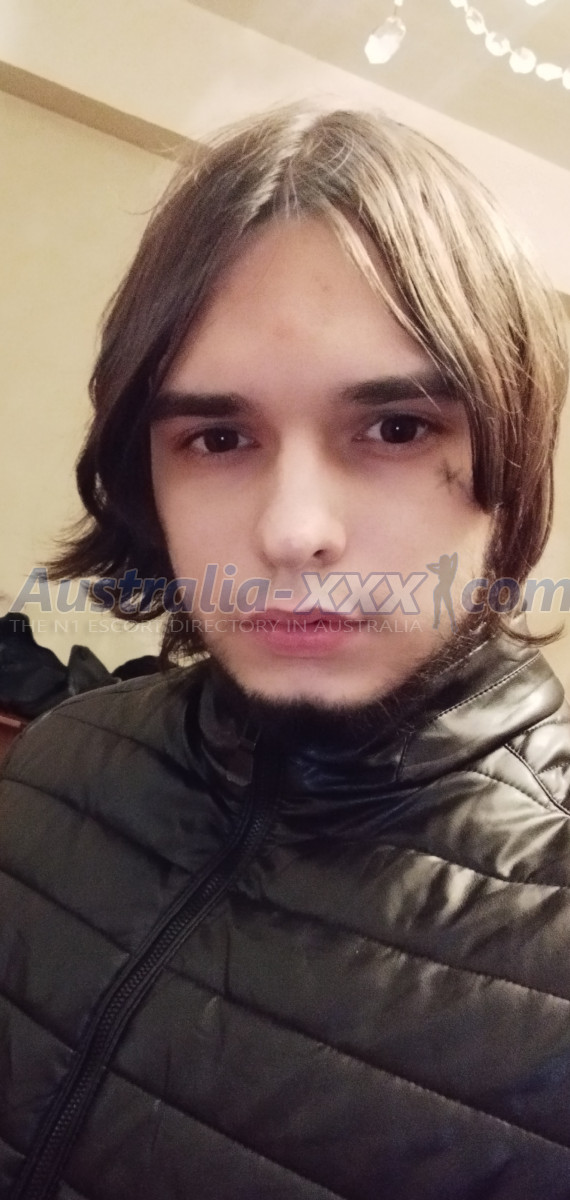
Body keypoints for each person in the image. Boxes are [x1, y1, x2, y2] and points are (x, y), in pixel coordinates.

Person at [1, 103, 570, 1200]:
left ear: (508, 460)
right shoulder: (56, 764)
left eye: (395, 428)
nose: (295, 530)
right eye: (218, 438)